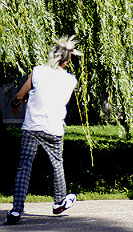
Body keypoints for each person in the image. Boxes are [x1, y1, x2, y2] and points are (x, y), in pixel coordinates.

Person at [4, 36, 81, 225]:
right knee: (56, 163)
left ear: (52, 55)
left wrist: (16, 104)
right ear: (66, 60)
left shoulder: (37, 72)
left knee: (24, 166)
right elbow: (62, 102)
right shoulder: (71, 80)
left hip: (32, 126)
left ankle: (16, 211)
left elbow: (20, 95)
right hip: (54, 128)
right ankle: (59, 202)